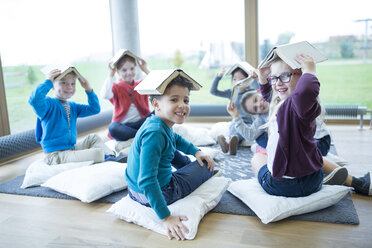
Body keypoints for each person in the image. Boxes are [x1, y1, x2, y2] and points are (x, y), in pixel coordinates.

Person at [251, 54, 371, 197]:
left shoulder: (299, 103)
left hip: (284, 185)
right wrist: (263, 79)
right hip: (313, 178)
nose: (278, 83)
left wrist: (309, 70)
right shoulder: (289, 104)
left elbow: (306, 90)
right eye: (274, 78)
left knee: (257, 158)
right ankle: (358, 183)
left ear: (302, 78)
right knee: (315, 156)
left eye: (284, 76)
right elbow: (270, 96)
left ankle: (335, 181)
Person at [125, 75, 218, 241]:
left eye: (186, 100)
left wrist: (196, 151)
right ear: (156, 104)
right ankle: (187, 173)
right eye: (174, 99)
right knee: (206, 166)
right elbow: (147, 181)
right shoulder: (155, 134)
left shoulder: (157, 122)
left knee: (180, 153)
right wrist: (166, 218)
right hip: (158, 192)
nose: (182, 105)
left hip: (133, 190)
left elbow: (174, 139)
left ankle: (188, 165)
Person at [28, 68, 114, 165]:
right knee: (97, 153)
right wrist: (48, 82)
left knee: (93, 138)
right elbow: (34, 100)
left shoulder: (72, 106)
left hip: (71, 148)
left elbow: (94, 109)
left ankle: (112, 157)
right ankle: (106, 158)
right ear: (52, 86)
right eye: (63, 83)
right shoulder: (48, 105)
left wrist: (88, 89)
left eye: (73, 83)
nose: (69, 87)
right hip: (55, 155)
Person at [100, 53, 151, 141]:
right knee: (113, 128)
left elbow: (158, 84)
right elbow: (105, 95)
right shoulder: (116, 87)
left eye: (132, 68)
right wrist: (111, 74)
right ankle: (142, 134)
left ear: (136, 68)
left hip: (142, 122)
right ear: (118, 72)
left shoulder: (141, 84)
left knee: (158, 114)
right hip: (124, 126)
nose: (129, 73)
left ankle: (140, 133)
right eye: (124, 70)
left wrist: (145, 69)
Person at [210, 66, 258, 155]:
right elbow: (213, 91)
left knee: (243, 131)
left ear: (247, 81)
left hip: (249, 122)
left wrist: (254, 78)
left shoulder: (252, 92)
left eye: (241, 79)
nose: (237, 82)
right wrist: (218, 76)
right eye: (234, 79)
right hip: (235, 120)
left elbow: (260, 91)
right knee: (233, 128)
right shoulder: (231, 92)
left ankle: (232, 142)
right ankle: (228, 142)